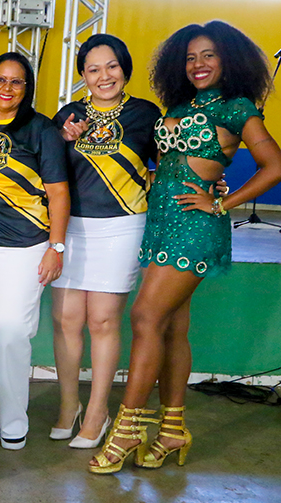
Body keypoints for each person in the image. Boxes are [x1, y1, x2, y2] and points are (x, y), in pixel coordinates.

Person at [89, 21, 281, 473]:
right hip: (160, 222)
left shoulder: (237, 108)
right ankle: (172, 429)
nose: (199, 64)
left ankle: (128, 428)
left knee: (144, 317)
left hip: (195, 226)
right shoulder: (179, 106)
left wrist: (222, 203)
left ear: (228, 59)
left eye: (209, 55)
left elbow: (274, 165)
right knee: (172, 327)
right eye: (191, 57)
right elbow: (171, 160)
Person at [48, 35, 160, 449]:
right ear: (83, 75)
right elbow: (49, 171)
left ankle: (97, 412)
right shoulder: (68, 115)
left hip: (122, 226)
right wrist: (63, 139)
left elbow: (167, 166)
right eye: (93, 69)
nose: (104, 76)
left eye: (112, 66)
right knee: (66, 319)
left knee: (102, 320)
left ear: (124, 68)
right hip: (71, 227)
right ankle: (68, 406)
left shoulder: (145, 114)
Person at [0, 52, 69, 450]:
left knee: (11, 335)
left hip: (24, 248)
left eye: (16, 81)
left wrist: (56, 247)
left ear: (27, 87)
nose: (6, 88)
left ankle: (13, 421)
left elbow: (59, 193)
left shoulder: (42, 131)